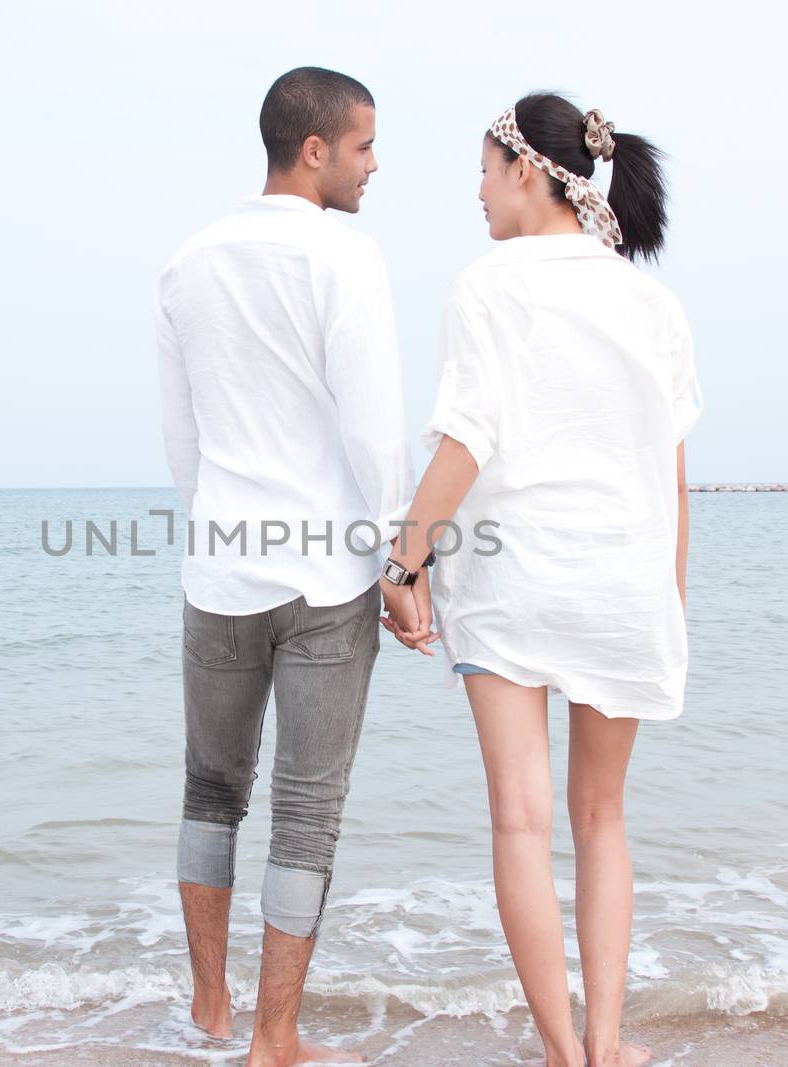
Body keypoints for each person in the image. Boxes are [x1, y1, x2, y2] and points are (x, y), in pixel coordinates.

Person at [379, 92, 702, 1067]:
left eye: (484, 169)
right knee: (601, 817)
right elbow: (672, 471)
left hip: (515, 583)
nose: (475, 192)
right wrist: (668, 598)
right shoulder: (650, 297)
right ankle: (607, 1043)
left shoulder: (489, 283)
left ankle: (560, 1050)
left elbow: (467, 435)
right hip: (624, 582)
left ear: (527, 170)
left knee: (520, 818)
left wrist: (403, 559)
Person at [154, 66, 415, 1066]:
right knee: (306, 808)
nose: (372, 165)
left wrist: (219, 530)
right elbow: (370, 428)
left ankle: (210, 1010)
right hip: (327, 579)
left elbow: (183, 438)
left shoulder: (185, 263)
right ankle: (276, 1037)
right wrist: (401, 557)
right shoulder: (346, 258)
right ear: (314, 149)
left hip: (218, 564)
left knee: (208, 789)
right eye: (363, 147)